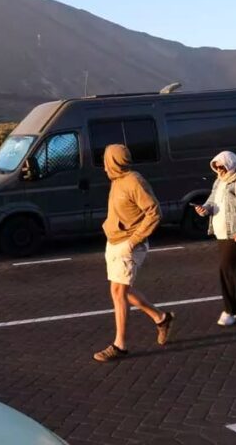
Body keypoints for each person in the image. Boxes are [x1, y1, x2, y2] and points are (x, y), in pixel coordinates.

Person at [93, 144, 175, 362]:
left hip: (129, 245)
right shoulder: (118, 179)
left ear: (114, 161)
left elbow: (154, 212)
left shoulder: (133, 181)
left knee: (119, 293)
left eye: (106, 160)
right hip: (115, 242)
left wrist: (133, 241)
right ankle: (161, 318)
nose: (104, 165)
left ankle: (120, 345)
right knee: (122, 292)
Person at [195, 151, 236, 326]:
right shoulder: (219, 182)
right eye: (216, 167)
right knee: (235, 269)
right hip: (222, 233)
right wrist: (205, 209)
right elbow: (212, 202)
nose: (219, 170)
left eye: (221, 166)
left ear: (230, 164)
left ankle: (230, 310)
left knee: (226, 269)